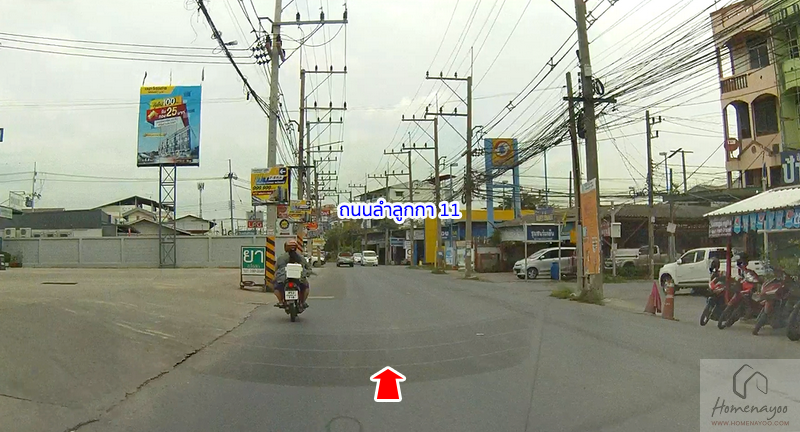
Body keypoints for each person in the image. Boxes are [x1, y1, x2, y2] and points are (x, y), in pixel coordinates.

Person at [273, 239, 311, 309]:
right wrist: (306, 273)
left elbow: (276, 268)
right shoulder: (301, 258)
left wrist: (276, 276)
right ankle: (303, 302)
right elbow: (308, 268)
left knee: (276, 287)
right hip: (299, 279)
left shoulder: (281, 258)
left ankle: (280, 301)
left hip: (283, 280)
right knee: (306, 287)